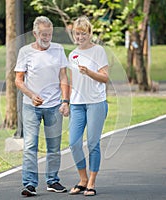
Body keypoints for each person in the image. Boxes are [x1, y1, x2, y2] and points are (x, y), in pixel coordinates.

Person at [14, 16, 70, 197]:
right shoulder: (25, 52)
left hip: (54, 106)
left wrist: (65, 101)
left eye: (49, 34)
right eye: (43, 34)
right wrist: (31, 95)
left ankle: (53, 180)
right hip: (31, 106)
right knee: (31, 145)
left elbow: (63, 77)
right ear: (34, 33)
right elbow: (18, 80)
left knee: (54, 146)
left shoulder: (58, 49)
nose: (47, 38)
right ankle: (29, 184)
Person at [67, 16, 109, 196]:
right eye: (77, 33)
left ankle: (91, 182)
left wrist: (89, 72)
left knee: (93, 143)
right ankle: (82, 179)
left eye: (83, 33)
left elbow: (105, 77)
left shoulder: (98, 51)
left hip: (96, 103)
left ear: (89, 33)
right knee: (74, 143)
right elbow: (70, 81)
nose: (80, 37)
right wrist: (65, 102)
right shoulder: (72, 54)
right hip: (77, 104)